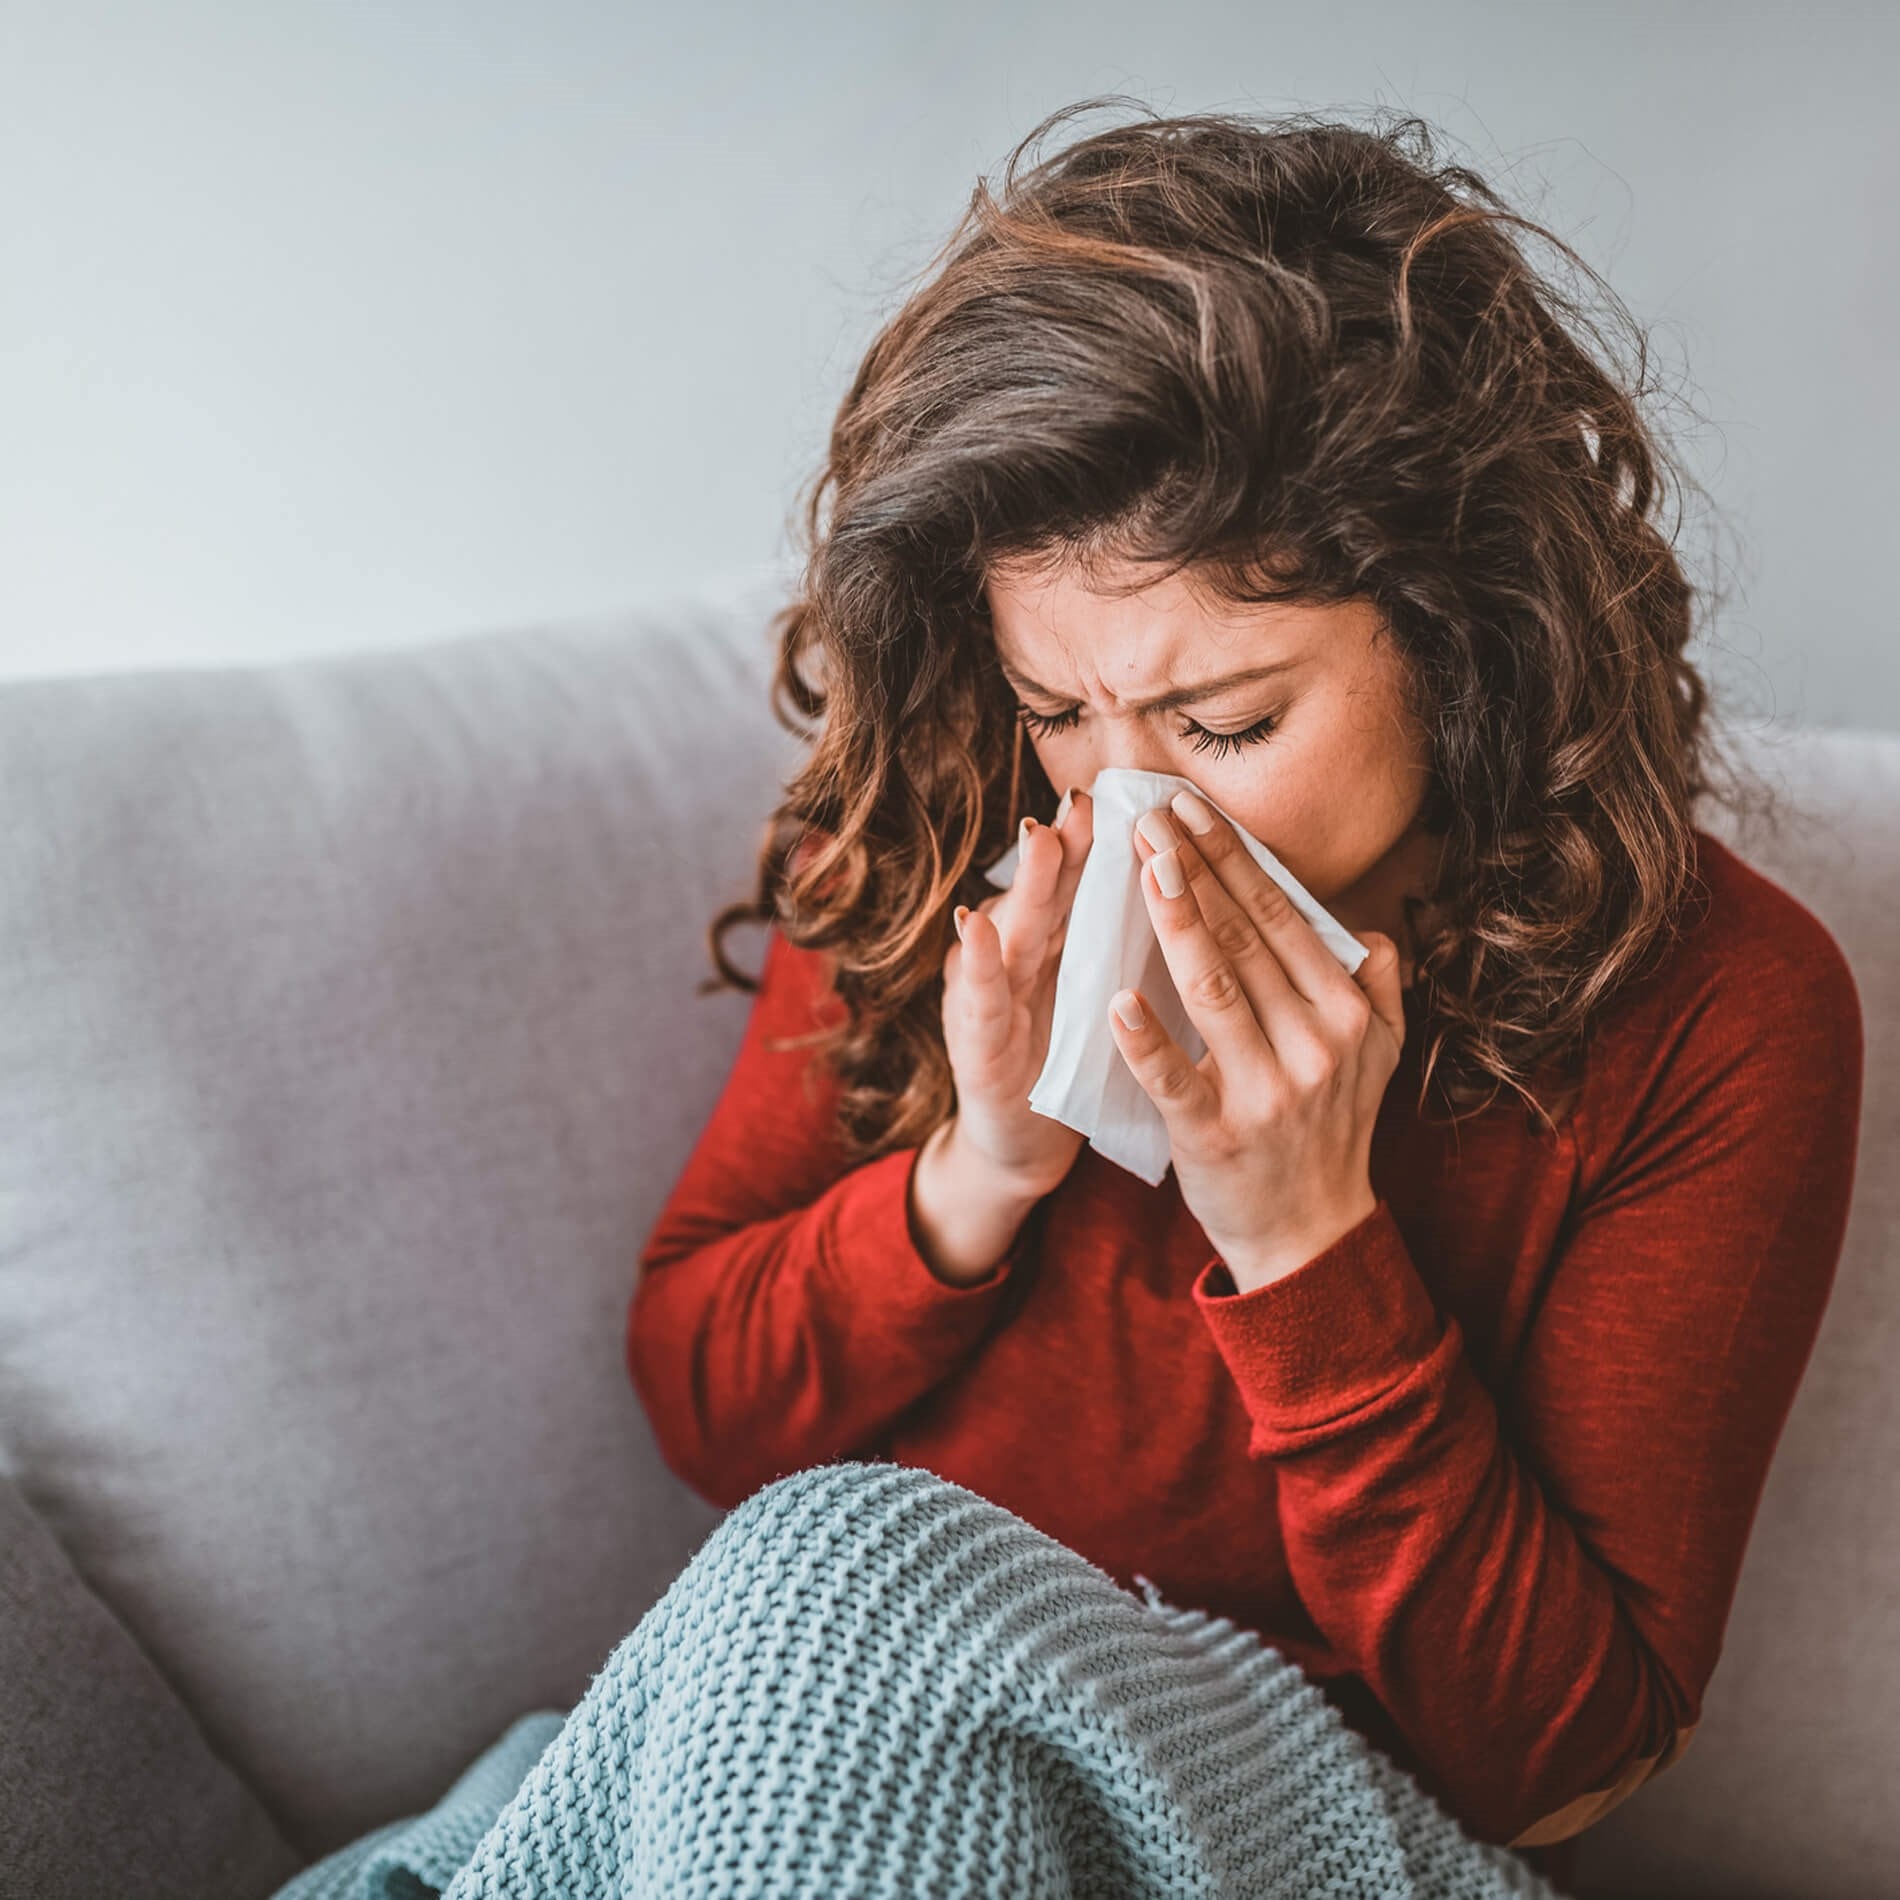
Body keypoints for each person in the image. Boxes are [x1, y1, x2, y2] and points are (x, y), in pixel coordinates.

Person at [627, 98, 1864, 1895]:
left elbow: (1560, 1766)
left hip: (1300, 1829)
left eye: (1226, 724)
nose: (1132, 803)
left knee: (830, 1581)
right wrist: (977, 1175)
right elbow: (699, 1410)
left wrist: (1306, 1248)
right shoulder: (947, 832)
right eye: (1061, 711)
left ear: (1466, 641)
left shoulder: (1717, 1012)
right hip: (835, 1736)